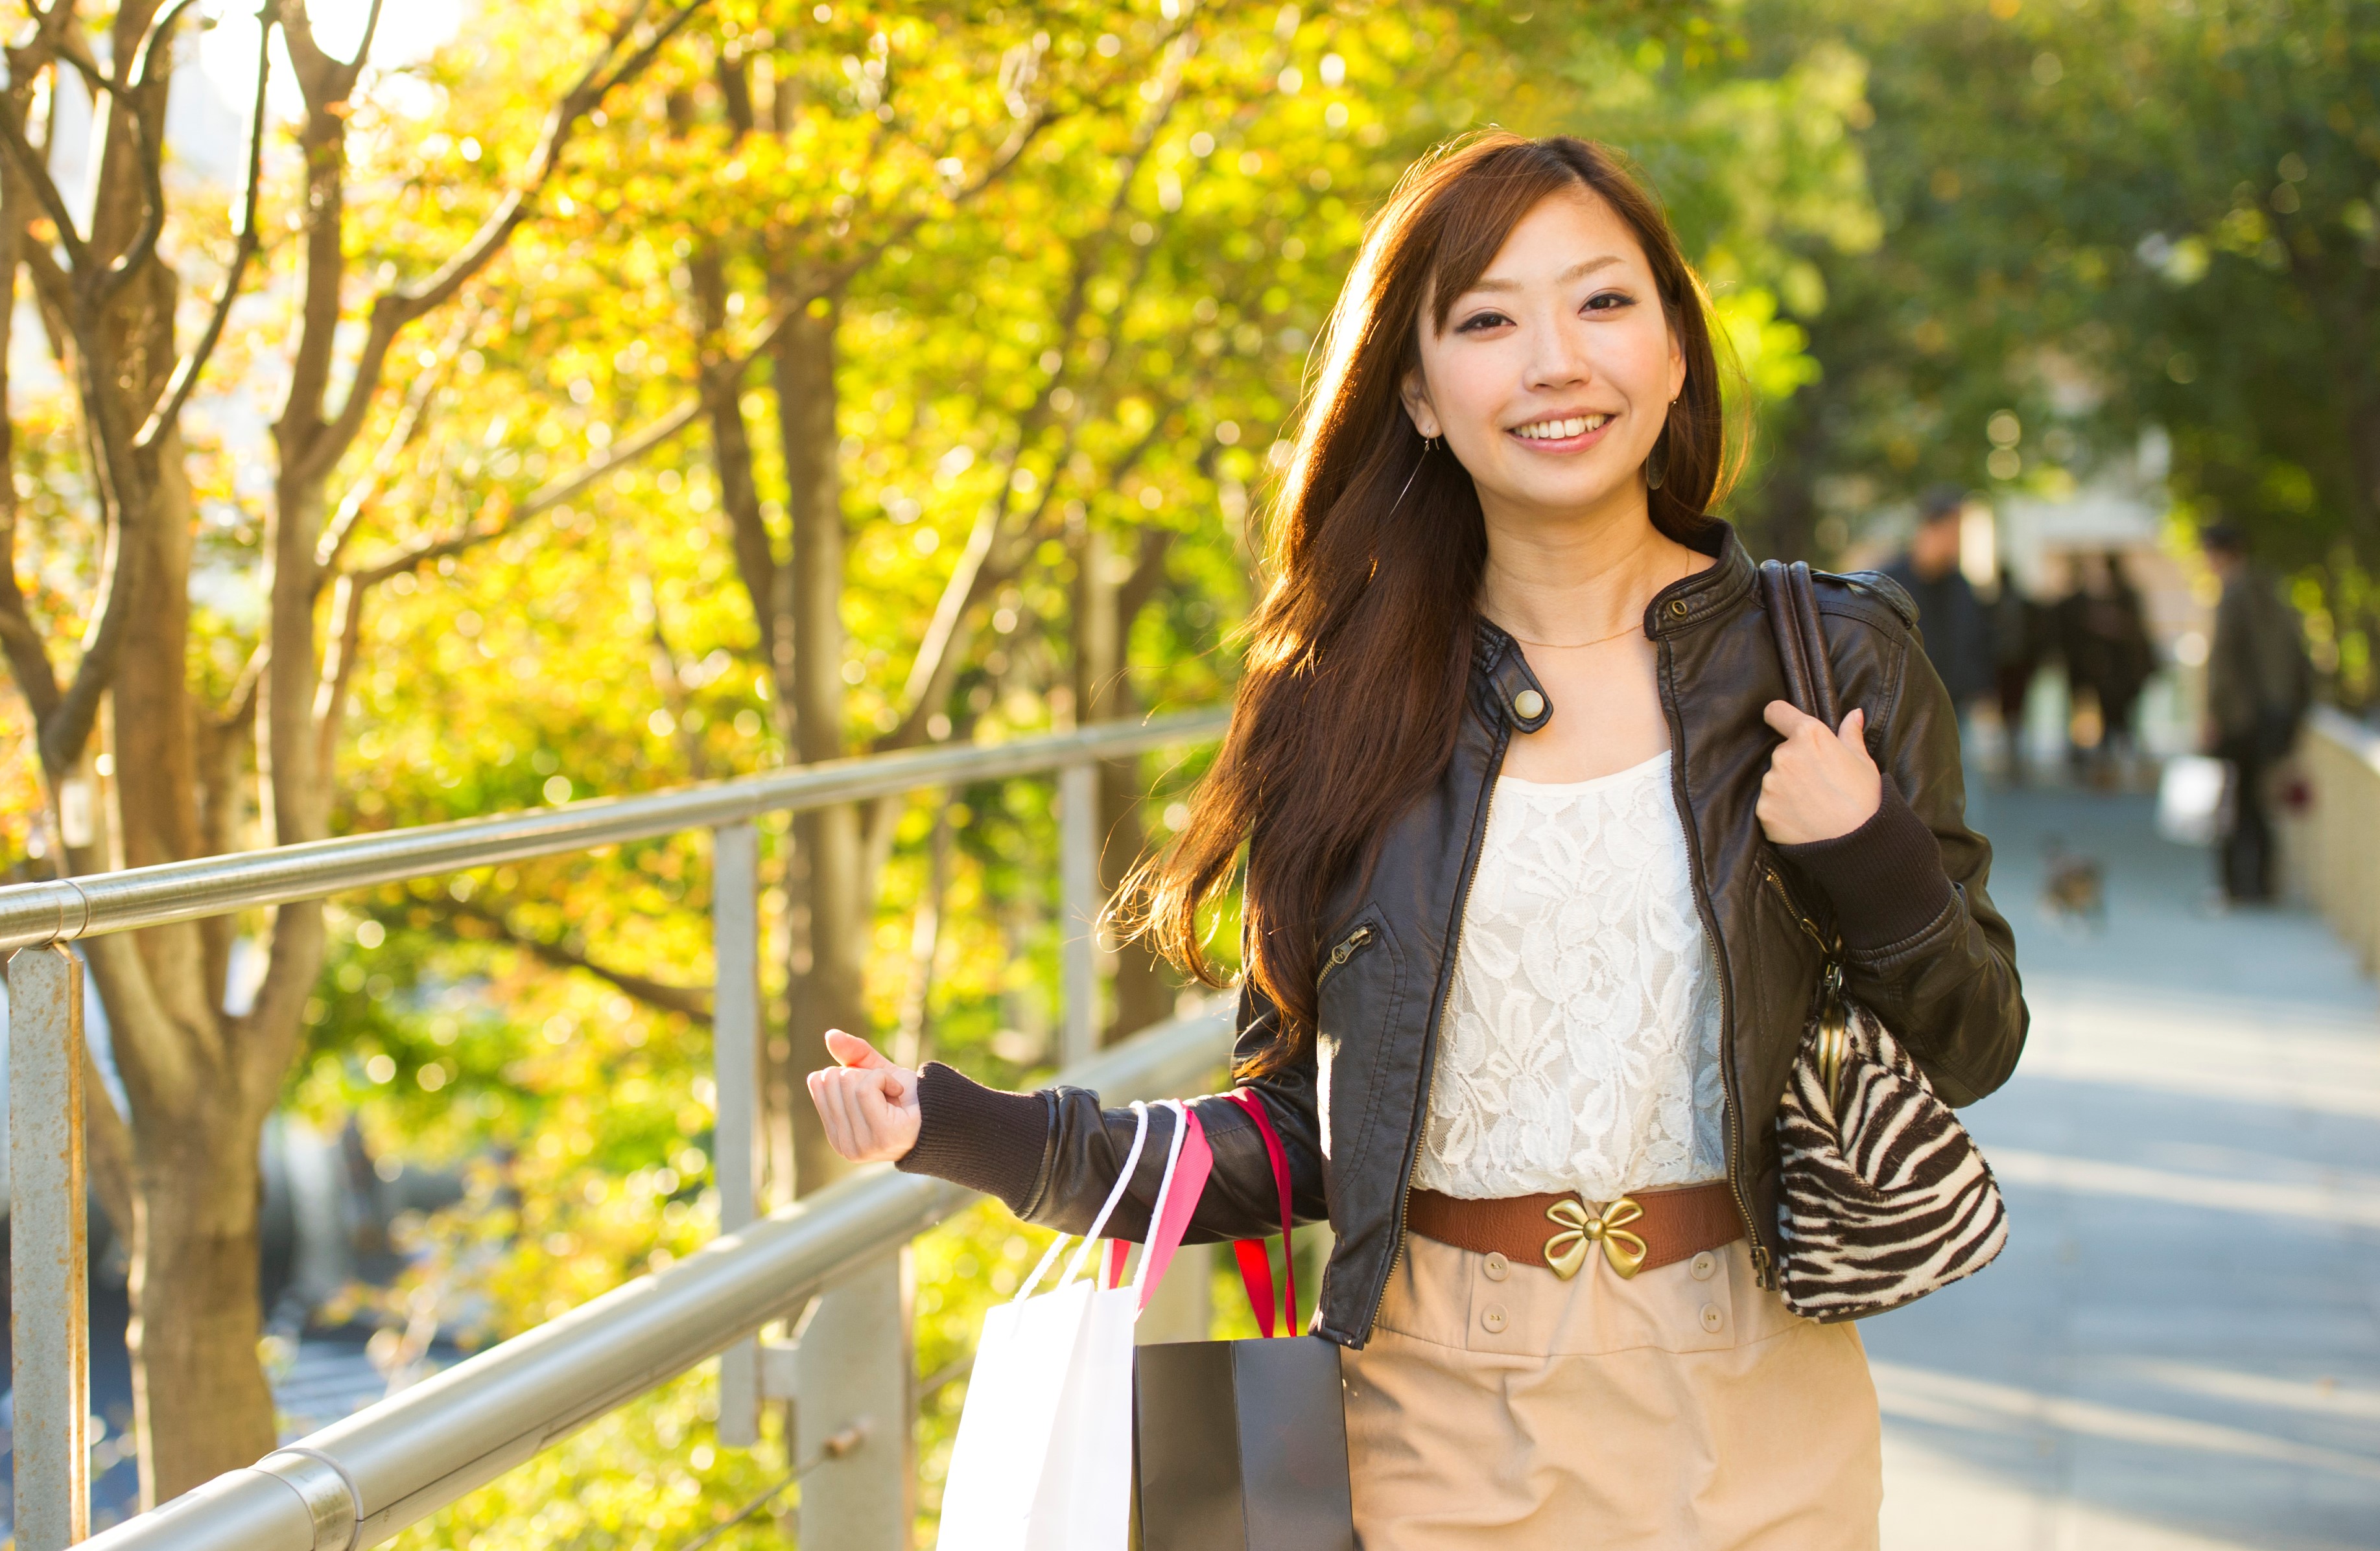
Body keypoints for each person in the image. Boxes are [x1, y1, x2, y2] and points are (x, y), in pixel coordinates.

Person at [805, 133, 2026, 1548]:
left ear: (1677, 351)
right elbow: (1294, 1133)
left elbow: (1974, 1040)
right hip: (1438, 1410)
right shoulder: (1341, 706)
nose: (1557, 360)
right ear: (1421, 392)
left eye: (1604, 303)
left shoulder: (1833, 658)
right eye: (1490, 319)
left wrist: (1864, 843)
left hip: (1757, 1385)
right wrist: (966, 1127)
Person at [2200, 522, 2313, 902]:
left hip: (2243, 719)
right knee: (2253, 802)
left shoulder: (2238, 594)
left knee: (2237, 803)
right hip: (2266, 716)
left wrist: (2216, 715)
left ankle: (2238, 887)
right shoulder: (2267, 590)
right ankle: (2259, 886)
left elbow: (2227, 665)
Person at [1879, 487, 1996, 714]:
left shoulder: (1960, 584)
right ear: (1930, 528)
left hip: (1954, 704)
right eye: (1953, 532)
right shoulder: (1889, 583)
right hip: (1904, 706)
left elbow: (1974, 639)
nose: (1958, 542)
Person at [2060, 552, 2156, 788]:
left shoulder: (2123, 598)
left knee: (2122, 720)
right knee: (2114, 720)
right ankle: (2112, 769)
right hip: (2113, 672)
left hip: (2124, 672)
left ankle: (2120, 769)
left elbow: (2130, 630)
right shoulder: (2111, 598)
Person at [1987, 562, 2050, 784]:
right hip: (2008, 664)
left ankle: (2015, 753)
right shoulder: (2003, 606)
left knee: (2015, 709)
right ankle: (2014, 752)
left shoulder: (2010, 606)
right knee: (2013, 709)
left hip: (2015, 663)